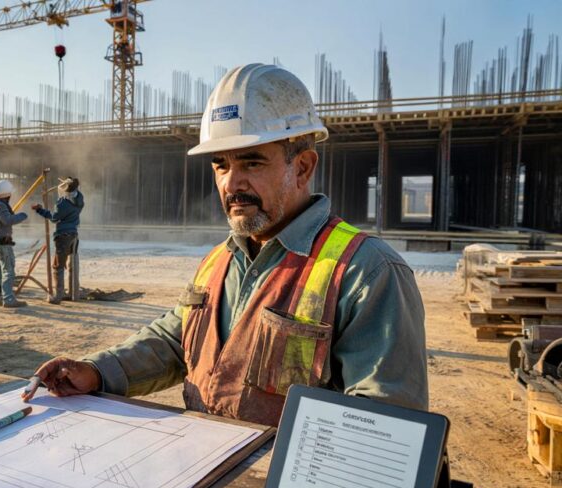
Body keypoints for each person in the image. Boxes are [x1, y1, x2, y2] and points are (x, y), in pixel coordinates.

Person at [33, 64, 428, 426]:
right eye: (221, 165)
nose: (231, 183)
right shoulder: (220, 260)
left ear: (303, 167)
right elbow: (175, 341)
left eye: (251, 163)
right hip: (204, 478)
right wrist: (97, 371)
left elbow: (383, 426)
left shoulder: (367, 272)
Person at [32, 177, 84, 304]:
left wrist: (40, 210)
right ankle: (74, 293)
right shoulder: (80, 198)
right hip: (74, 234)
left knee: (58, 265)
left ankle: (57, 296)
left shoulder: (62, 203)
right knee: (73, 263)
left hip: (63, 236)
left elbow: (54, 218)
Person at [0, 179, 29, 309]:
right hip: (3, 243)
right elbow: (8, 220)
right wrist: (22, 215)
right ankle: (8, 299)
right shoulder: (0, 206)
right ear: (7, 195)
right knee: (8, 270)